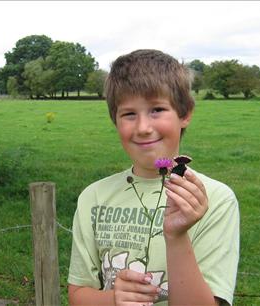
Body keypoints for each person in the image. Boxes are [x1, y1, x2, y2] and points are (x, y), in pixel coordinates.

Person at [68, 49, 239, 306]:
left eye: (157, 109)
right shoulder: (93, 196)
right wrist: (115, 299)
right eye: (129, 114)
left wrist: (177, 236)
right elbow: (78, 295)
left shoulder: (214, 199)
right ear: (115, 120)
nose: (143, 128)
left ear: (185, 114)